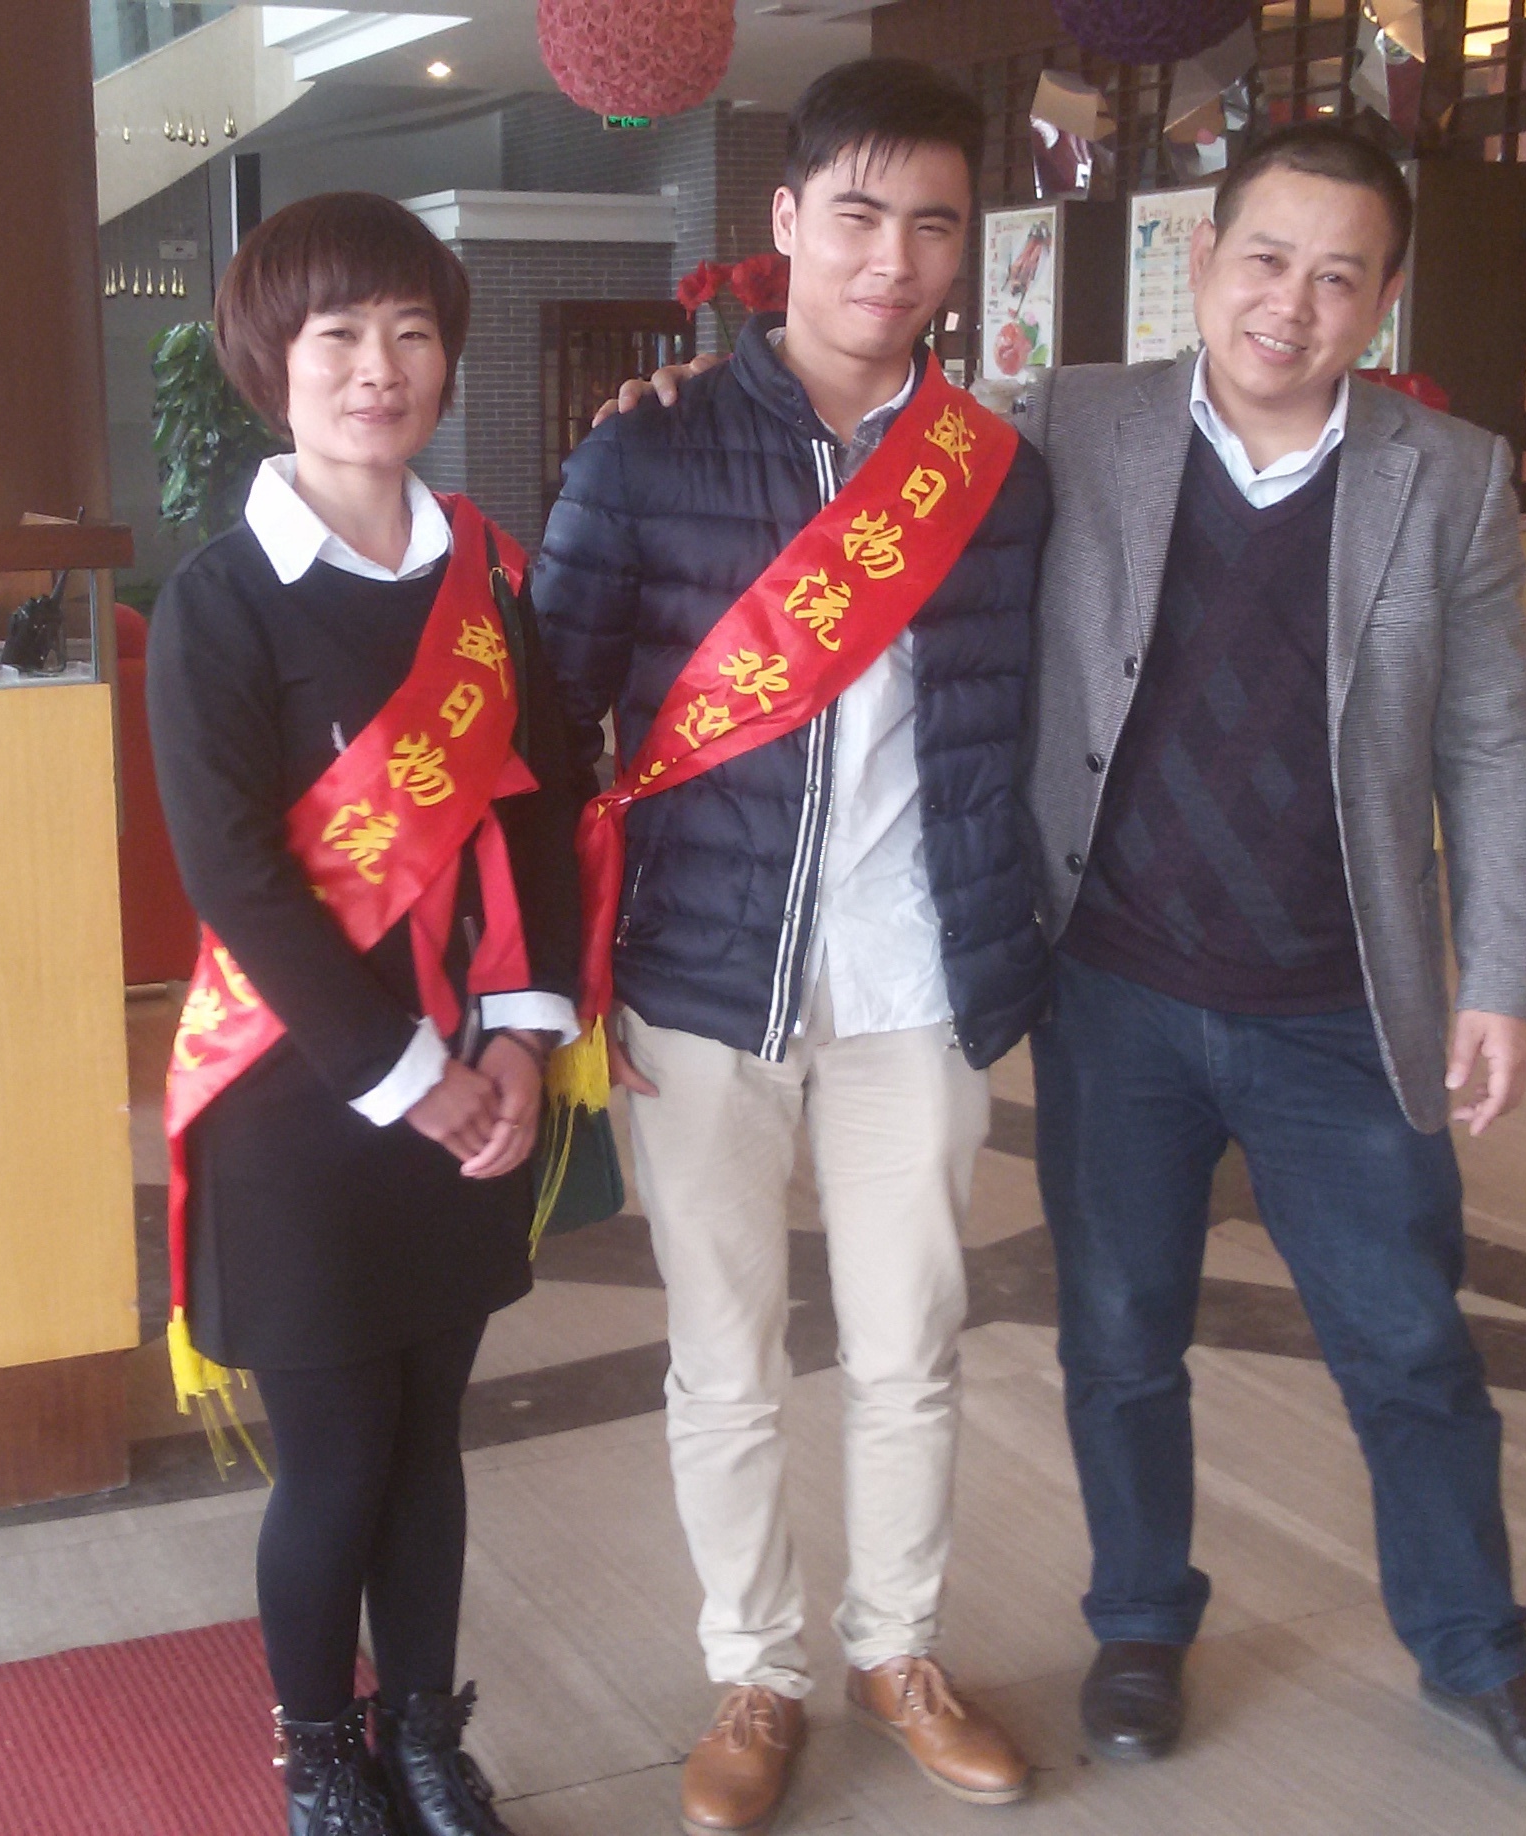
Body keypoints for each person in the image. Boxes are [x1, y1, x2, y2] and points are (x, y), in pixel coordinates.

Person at [1010, 126, 1526, 1800]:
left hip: (1341, 1002)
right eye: (1266, 258)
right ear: (1201, 260)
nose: (1293, 302)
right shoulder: (1071, 421)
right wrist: (693, 402)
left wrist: (1503, 974)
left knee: (1409, 1347)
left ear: (1383, 300)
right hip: (1113, 986)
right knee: (1117, 1334)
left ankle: (1475, 1651)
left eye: (1340, 275)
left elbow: (1493, 740)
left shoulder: (1448, 475)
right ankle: (1139, 1621)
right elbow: (880, 481)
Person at [535, 59, 1053, 1835]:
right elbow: (549, 728)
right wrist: (550, 979)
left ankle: (898, 1651)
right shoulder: (647, 447)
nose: (890, 259)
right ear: (782, 221)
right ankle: (751, 1671)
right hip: (699, 976)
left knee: (913, 1341)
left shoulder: (995, 477)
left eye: (932, 226)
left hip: (914, 979)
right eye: (855, 215)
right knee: (724, 1350)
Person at [144, 190, 585, 1836]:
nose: (376, 367)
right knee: (335, 1457)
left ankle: (422, 1737)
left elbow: (538, 813)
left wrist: (519, 1037)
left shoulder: (491, 577)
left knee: (428, 1448)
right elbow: (233, 875)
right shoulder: (218, 600)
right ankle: (319, 1756)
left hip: (472, 1075)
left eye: (409, 331)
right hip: (301, 1093)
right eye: (336, 335)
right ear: (272, 362)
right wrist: (409, 1074)